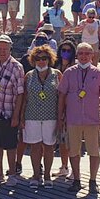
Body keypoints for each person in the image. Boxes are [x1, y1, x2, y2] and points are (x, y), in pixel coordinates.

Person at [58, 42, 100, 194]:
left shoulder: (98, 73)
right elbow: (62, 95)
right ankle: (76, 179)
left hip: (92, 119)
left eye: (87, 53)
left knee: (94, 151)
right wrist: (60, 116)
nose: (83, 56)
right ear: (77, 55)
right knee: (73, 150)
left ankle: (93, 180)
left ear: (92, 56)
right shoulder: (69, 72)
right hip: (73, 118)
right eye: (81, 53)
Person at [0, 35, 25, 185]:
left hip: (8, 110)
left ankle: (12, 175)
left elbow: (20, 93)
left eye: (5, 49)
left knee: (10, 145)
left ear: (10, 49)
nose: (2, 51)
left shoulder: (17, 67)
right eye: (0, 48)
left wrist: (16, 115)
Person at [21, 45, 61, 189]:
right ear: (33, 60)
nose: (41, 61)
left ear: (49, 59)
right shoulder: (29, 75)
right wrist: (21, 118)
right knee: (35, 147)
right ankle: (36, 175)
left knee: (49, 146)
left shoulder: (57, 74)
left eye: (44, 58)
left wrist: (61, 118)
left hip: (51, 116)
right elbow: (24, 98)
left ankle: (48, 175)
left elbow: (61, 97)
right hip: (32, 115)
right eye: (38, 58)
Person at [52, 40, 77, 180]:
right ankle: (64, 166)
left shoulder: (75, 68)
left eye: (68, 50)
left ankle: (75, 169)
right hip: (56, 106)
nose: (65, 53)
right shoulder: (55, 67)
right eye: (63, 50)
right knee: (61, 139)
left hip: (71, 107)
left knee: (72, 140)